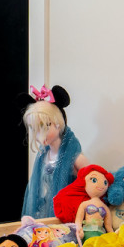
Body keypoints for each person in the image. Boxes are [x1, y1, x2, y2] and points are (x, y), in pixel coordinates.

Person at [21, 85, 88, 220]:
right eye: (34, 128)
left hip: (67, 218)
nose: (39, 135)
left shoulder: (75, 158)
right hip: (43, 216)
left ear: (58, 123)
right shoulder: (42, 156)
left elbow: (91, 184)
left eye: (45, 126)